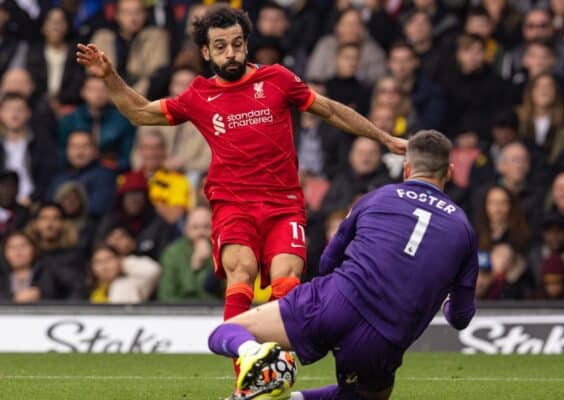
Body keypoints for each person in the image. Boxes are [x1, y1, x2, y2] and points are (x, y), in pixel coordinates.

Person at [76, 3, 405, 336]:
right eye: (220, 46)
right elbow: (141, 113)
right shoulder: (199, 96)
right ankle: (245, 377)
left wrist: (383, 137)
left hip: (283, 203)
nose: (230, 53)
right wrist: (109, 76)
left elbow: (331, 111)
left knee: (286, 279)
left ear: (246, 45)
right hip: (233, 204)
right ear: (206, 51)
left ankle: (280, 369)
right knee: (241, 272)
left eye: (237, 44)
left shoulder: (277, 79)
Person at [208, 130, 477, 399]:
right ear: (450, 172)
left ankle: (252, 353)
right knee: (363, 395)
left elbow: (328, 260)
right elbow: (460, 318)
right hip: (384, 336)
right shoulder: (463, 229)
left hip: (338, 299)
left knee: (229, 330)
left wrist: (327, 304)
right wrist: (445, 300)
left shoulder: (376, 197)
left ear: (407, 169)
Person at [158, 205, 223, 302]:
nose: (201, 232)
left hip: (215, 313)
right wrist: (194, 268)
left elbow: (221, 295)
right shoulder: (172, 253)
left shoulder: (222, 252)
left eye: (207, 227)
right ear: (186, 230)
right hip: (179, 313)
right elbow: (165, 295)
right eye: (195, 227)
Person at [88, 244, 160, 304]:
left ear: (119, 260)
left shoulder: (132, 283)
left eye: (109, 259)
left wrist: (124, 262)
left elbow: (152, 270)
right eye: (98, 261)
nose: (104, 266)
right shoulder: (88, 289)